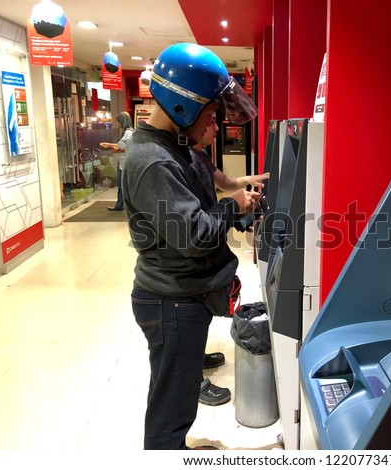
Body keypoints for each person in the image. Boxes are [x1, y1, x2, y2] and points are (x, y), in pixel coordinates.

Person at [122, 43, 260, 450]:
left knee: (174, 390)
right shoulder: (154, 161)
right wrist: (232, 207)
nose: (214, 123)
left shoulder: (173, 146)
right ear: (185, 105)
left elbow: (203, 187)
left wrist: (235, 197)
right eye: (212, 113)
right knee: (173, 409)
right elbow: (194, 235)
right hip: (172, 302)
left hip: (179, 297)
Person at [191, 112, 269, 407]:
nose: (215, 129)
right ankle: (193, 379)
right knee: (190, 317)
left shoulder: (200, 155)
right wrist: (232, 205)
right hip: (195, 249)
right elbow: (197, 220)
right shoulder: (183, 160)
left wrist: (247, 184)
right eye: (210, 123)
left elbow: (224, 182)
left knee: (203, 312)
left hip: (208, 248)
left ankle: (198, 357)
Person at [99, 111, 134, 211]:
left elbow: (132, 148)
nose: (118, 124)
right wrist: (108, 145)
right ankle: (119, 205)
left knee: (122, 185)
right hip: (122, 163)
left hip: (126, 163)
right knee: (121, 185)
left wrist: (118, 150)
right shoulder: (125, 132)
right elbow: (122, 145)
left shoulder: (129, 133)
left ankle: (121, 205)